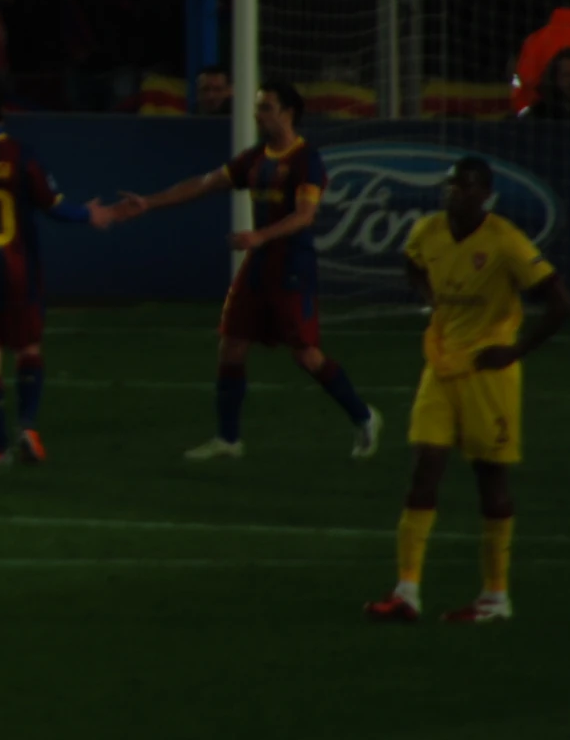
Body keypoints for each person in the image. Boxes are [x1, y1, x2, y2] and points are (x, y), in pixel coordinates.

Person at [111, 83, 384, 461]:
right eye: (258, 108)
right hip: (260, 264)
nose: (258, 115)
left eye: (266, 108)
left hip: (292, 266)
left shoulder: (306, 160)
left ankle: (365, 416)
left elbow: (305, 216)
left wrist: (259, 236)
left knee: (306, 355)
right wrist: (149, 203)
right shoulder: (256, 158)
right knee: (232, 345)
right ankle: (228, 439)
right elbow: (206, 183)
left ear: (288, 113)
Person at [366, 159, 570, 624]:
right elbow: (412, 263)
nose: (452, 194)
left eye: (462, 187)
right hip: (440, 367)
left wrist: (516, 351)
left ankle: (496, 597)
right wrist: (429, 297)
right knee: (424, 468)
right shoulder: (429, 231)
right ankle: (407, 591)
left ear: (485, 194)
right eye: (449, 186)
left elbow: (562, 302)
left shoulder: (505, 241)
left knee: (490, 480)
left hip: (488, 373)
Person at [0, 76, 121, 467]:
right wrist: (90, 214)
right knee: (28, 348)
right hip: (18, 271)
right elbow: (53, 205)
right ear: (3, 111)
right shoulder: (20, 155)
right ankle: (27, 427)